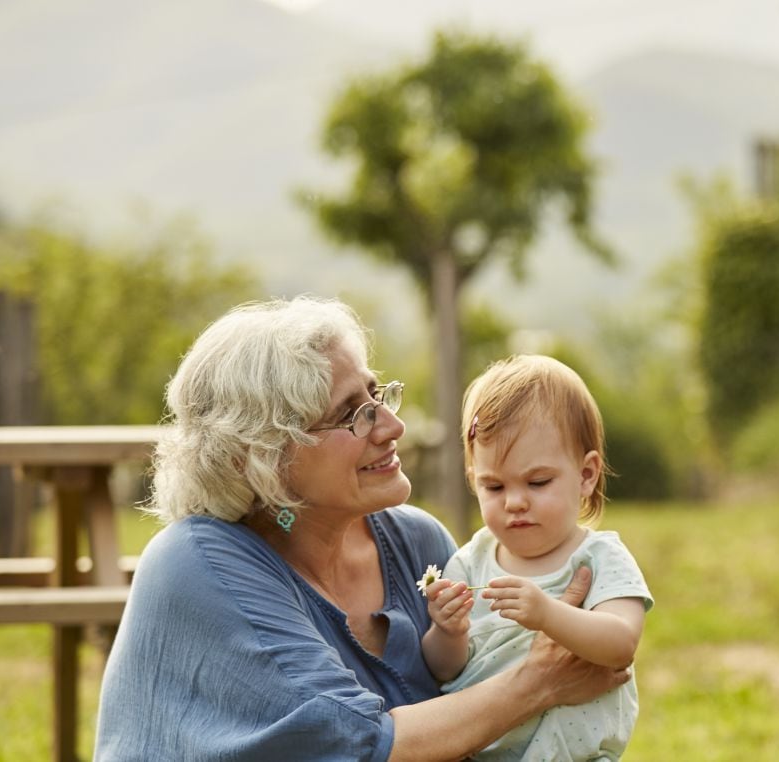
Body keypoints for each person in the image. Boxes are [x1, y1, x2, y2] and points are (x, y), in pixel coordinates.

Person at [95, 298, 627, 761]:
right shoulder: (196, 563)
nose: (393, 426)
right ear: (263, 457)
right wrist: (539, 681)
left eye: (378, 396)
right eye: (353, 414)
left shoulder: (418, 543)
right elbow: (356, 742)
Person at [420, 354, 652, 761]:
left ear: (586, 475)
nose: (514, 502)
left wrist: (547, 613)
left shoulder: (599, 557)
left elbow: (621, 644)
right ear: (474, 481)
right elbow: (445, 670)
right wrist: (447, 631)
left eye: (538, 482)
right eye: (494, 487)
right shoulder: (470, 562)